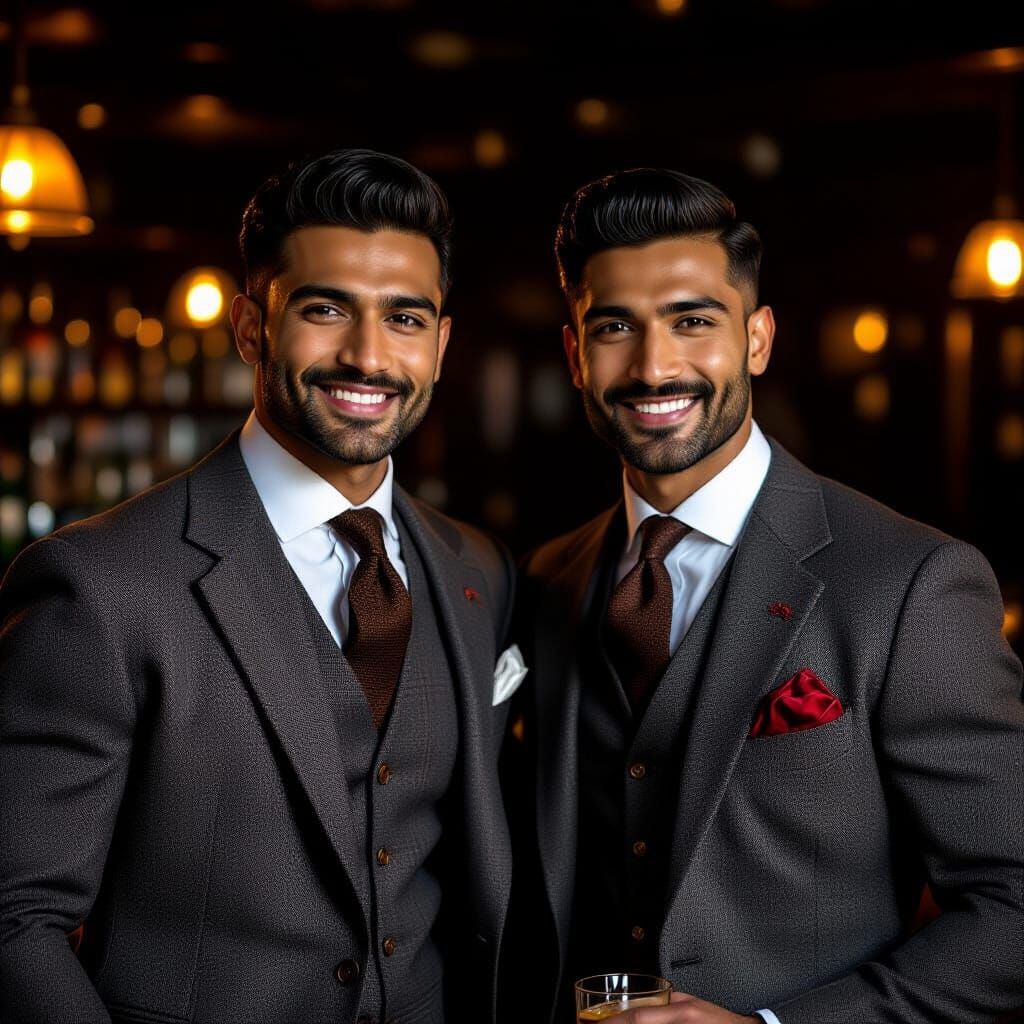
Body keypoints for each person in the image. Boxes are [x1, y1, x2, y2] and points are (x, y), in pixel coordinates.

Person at [0, 148, 520, 1024]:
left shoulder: (478, 570)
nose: (368, 355)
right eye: (325, 310)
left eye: (404, 317)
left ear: (441, 343)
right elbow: (15, 921)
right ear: (251, 327)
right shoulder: (101, 585)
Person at [509, 167, 1024, 1023]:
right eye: (613, 328)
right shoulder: (543, 580)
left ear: (757, 339)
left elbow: (1013, 906)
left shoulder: (911, 583)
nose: (653, 365)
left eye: (693, 322)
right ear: (574, 355)